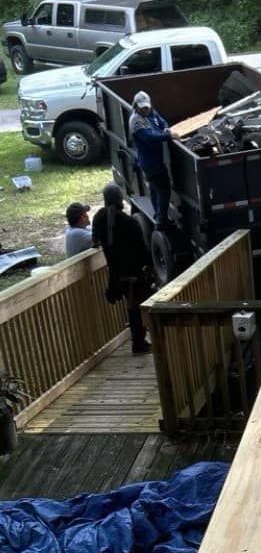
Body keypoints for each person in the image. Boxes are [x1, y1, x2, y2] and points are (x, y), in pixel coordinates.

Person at [92, 183, 153, 355]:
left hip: (115, 275)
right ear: (119, 199)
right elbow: (142, 250)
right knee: (136, 308)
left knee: (132, 308)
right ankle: (139, 343)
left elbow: (95, 242)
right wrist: (150, 266)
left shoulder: (99, 218)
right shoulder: (129, 222)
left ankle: (139, 341)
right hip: (133, 273)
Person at [128, 90, 174, 227]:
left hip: (155, 160)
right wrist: (169, 136)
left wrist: (166, 129)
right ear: (136, 106)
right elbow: (150, 138)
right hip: (150, 163)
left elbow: (162, 122)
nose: (145, 110)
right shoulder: (136, 121)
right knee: (163, 189)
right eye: (142, 108)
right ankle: (161, 220)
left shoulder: (151, 112)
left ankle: (158, 214)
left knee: (155, 189)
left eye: (146, 107)